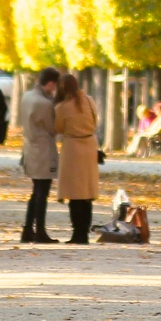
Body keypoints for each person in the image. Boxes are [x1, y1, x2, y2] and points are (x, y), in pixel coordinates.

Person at [54, 70, 101, 242]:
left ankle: (77, 232)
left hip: (72, 149)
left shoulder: (62, 107)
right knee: (87, 193)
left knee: (74, 194)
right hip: (89, 147)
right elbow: (95, 121)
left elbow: (58, 128)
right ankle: (85, 232)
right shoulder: (89, 101)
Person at [17, 68, 62, 243]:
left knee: (36, 191)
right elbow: (53, 128)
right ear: (51, 83)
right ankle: (40, 231)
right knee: (42, 192)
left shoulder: (27, 96)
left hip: (30, 148)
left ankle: (28, 229)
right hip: (43, 150)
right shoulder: (44, 104)